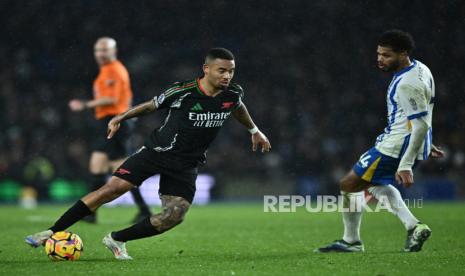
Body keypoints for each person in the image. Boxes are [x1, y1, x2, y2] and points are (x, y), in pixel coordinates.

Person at [26, 47, 271, 260]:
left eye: (231, 71)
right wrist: (121, 116)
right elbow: (151, 105)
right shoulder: (183, 91)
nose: (227, 76)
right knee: (112, 190)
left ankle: (116, 239)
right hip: (157, 152)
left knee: (174, 216)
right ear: (206, 69)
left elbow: (237, 107)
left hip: (186, 164)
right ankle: (51, 231)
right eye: (222, 70)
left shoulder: (233, 93)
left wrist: (254, 130)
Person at [316, 30, 445, 253]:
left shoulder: (407, 84)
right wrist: (425, 143)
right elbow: (422, 115)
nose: (380, 59)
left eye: (386, 55)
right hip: (402, 141)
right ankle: (413, 227)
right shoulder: (421, 68)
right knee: (374, 184)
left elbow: (421, 123)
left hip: (395, 146)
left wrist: (405, 164)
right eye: (378, 54)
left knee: (349, 184)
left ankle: (352, 241)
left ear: (403, 54)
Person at [68, 37, 151, 223]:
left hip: (116, 122)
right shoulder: (106, 70)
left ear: (114, 51)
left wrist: (84, 104)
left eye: (105, 50)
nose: (100, 54)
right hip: (109, 122)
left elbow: (112, 99)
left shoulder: (114, 70)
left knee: (121, 170)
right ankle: (92, 212)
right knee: (99, 166)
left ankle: (141, 210)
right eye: (98, 50)